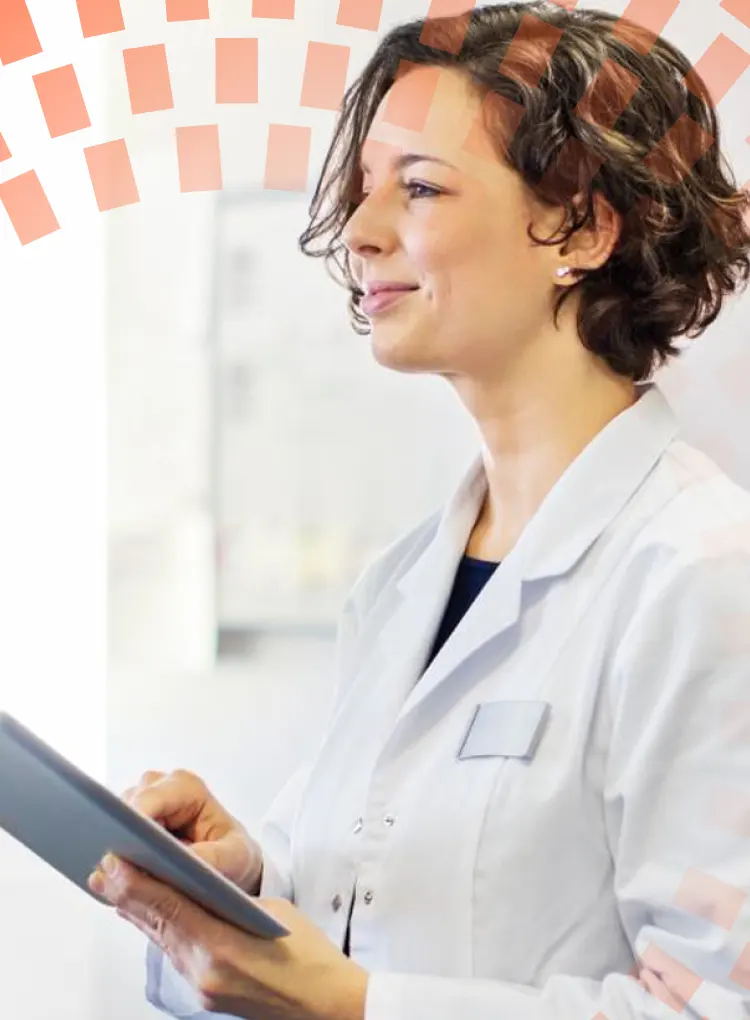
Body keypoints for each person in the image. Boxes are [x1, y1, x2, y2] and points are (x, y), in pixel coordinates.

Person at [89, 3, 750, 1018]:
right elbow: (375, 916)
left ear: (581, 226)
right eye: (363, 191)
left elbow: (715, 1002)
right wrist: (250, 888)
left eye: (423, 189)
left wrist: (358, 1007)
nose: (360, 231)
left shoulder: (704, 575)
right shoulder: (401, 584)